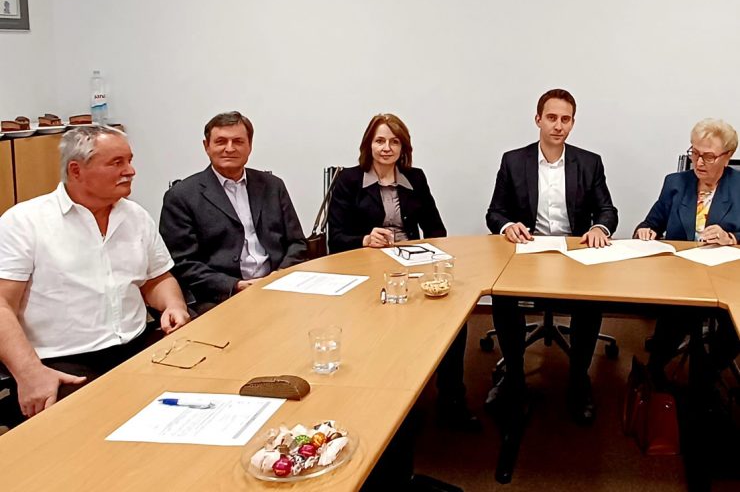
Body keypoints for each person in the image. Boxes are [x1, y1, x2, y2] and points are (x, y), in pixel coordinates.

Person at [0, 126, 189, 423]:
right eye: (117, 163)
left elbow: (157, 279)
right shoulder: (24, 222)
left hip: (136, 346)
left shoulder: (136, 216)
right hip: (61, 361)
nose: (131, 171)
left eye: (129, 160)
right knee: (96, 428)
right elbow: (2, 306)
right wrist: (29, 374)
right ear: (76, 170)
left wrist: (173, 305)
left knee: (196, 399)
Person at [328, 113, 479, 432]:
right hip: (367, 269)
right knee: (382, 330)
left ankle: (452, 399)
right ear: (368, 145)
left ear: (403, 147)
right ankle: (384, 402)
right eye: (380, 141)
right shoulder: (349, 180)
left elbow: (436, 229)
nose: (386, 148)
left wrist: (427, 254)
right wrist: (365, 239)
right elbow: (336, 238)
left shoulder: (415, 178)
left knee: (453, 320)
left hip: (413, 266)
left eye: (394, 141)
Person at [486, 89, 618, 425]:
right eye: (551, 118)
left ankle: (579, 379)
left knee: (590, 302)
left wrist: (600, 227)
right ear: (538, 120)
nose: (558, 126)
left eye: (565, 119)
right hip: (529, 251)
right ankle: (514, 376)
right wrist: (508, 226)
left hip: (574, 253)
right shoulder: (514, 161)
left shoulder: (589, 162)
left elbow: (607, 210)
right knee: (503, 298)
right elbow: (495, 212)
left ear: (572, 123)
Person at [160, 111, 306, 314]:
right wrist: (235, 285)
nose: (229, 148)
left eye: (238, 141)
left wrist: (279, 275)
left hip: (278, 285)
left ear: (250, 146)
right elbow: (183, 263)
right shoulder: (181, 196)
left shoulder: (273, 186)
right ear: (206, 146)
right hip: (221, 297)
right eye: (221, 141)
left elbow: (297, 243)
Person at [635, 118, 740, 384]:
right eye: (694, 153)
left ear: (727, 156)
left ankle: (709, 371)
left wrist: (730, 237)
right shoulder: (675, 183)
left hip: (728, 277)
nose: (699, 162)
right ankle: (655, 372)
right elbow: (650, 223)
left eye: (708, 156)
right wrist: (646, 231)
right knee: (676, 314)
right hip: (682, 275)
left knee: (732, 328)